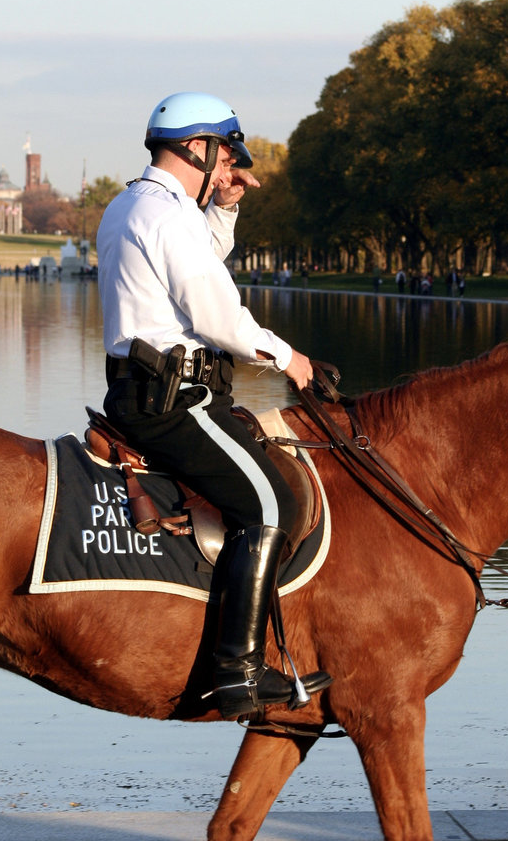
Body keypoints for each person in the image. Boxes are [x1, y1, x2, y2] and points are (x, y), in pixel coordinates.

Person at [97, 91, 331, 720]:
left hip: (155, 390)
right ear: (197, 147)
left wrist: (223, 209)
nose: (231, 166)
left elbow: (201, 267)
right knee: (273, 500)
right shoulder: (167, 215)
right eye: (226, 153)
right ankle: (236, 674)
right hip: (177, 401)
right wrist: (288, 359)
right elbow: (216, 314)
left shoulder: (138, 204)